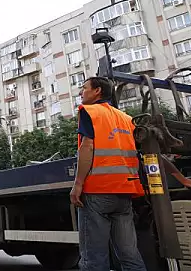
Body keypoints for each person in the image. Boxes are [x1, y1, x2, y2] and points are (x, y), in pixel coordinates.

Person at [70, 77, 147, 271]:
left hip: (98, 191)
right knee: (129, 255)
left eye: (84, 88)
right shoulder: (126, 118)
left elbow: (87, 147)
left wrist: (78, 184)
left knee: (94, 258)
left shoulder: (90, 112)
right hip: (124, 192)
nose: (81, 92)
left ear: (97, 91)